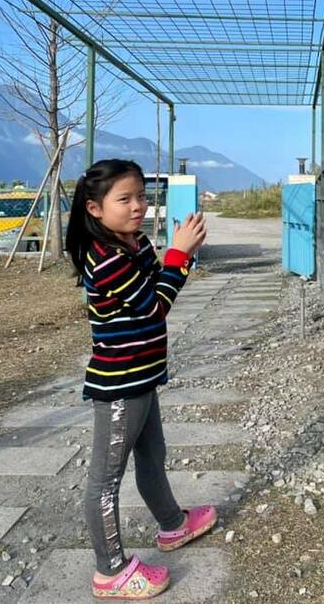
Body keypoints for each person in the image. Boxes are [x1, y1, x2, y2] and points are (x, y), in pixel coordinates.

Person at [66, 158, 217, 599]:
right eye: (125, 199)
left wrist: (175, 258)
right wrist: (179, 255)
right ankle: (109, 570)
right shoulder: (106, 258)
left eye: (142, 197)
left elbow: (158, 284)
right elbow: (155, 309)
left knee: (154, 456)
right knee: (105, 479)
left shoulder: (133, 244)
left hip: (144, 376)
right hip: (119, 385)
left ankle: (172, 524)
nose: (138, 207)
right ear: (94, 209)